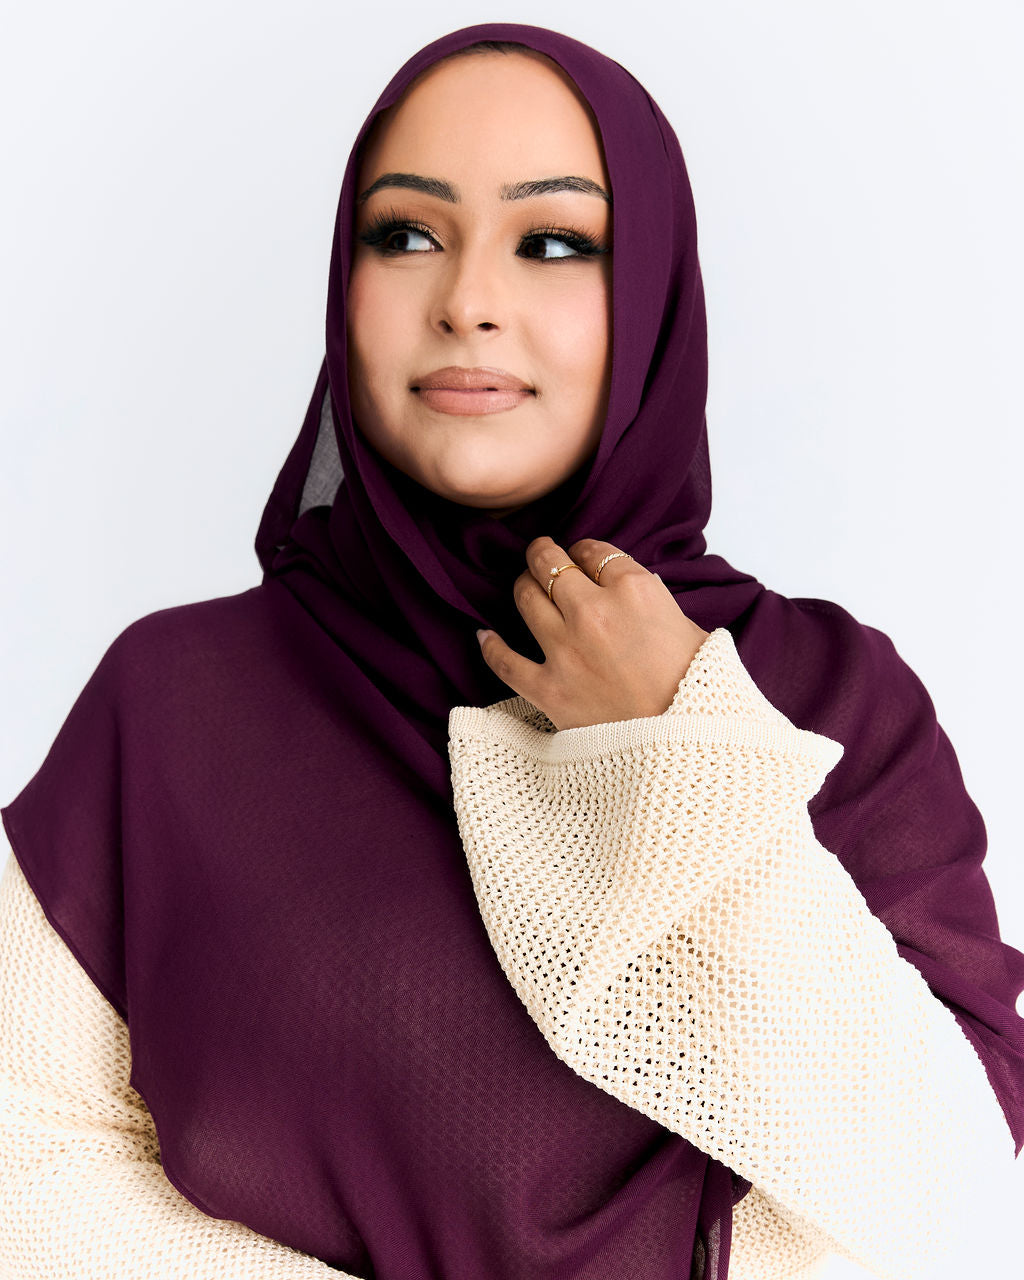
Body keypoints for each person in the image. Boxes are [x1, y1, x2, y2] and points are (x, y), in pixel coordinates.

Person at [1, 21, 1021, 1280]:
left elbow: (949, 1206)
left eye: (552, 243)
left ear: (651, 294)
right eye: (405, 233)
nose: (467, 300)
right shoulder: (175, 705)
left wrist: (679, 738)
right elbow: (26, 1166)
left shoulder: (830, 697)